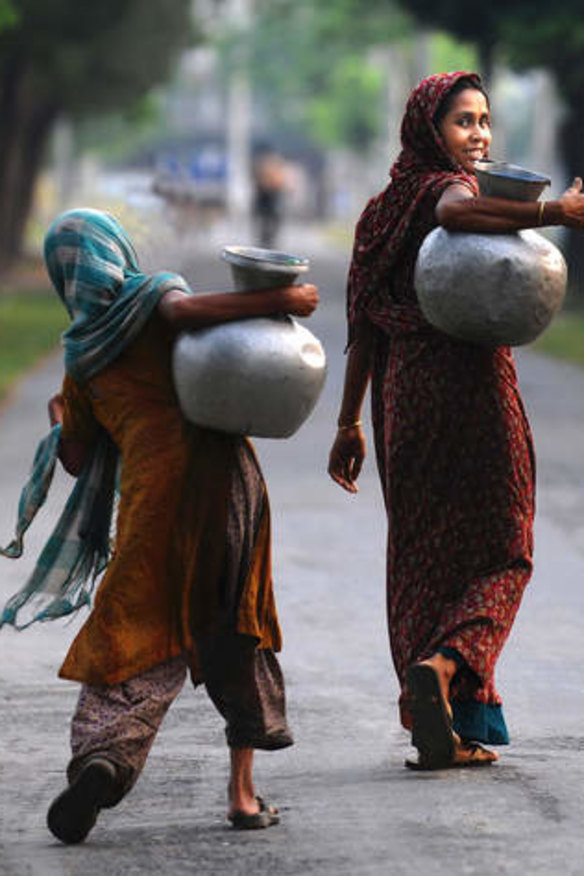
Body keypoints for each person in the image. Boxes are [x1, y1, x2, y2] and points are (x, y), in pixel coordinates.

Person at [0, 208, 318, 841]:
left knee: (131, 625)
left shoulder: (84, 360)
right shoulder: (151, 295)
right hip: (225, 487)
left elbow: (76, 457)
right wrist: (279, 299)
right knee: (237, 624)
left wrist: (61, 417)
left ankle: (104, 756)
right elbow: (185, 313)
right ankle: (242, 795)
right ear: (116, 252)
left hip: (152, 506)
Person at [328, 71, 584, 770]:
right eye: (463, 121)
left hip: (403, 397)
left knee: (423, 555)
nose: (479, 135)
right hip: (471, 387)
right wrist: (554, 213)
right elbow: (455, 213)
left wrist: (349, 422)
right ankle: (445, 663)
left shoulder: (379, 212)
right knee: (507, 544)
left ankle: (442, 726)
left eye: (484, 121)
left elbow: (364, 326)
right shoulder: (447, 190)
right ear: (428, 129)